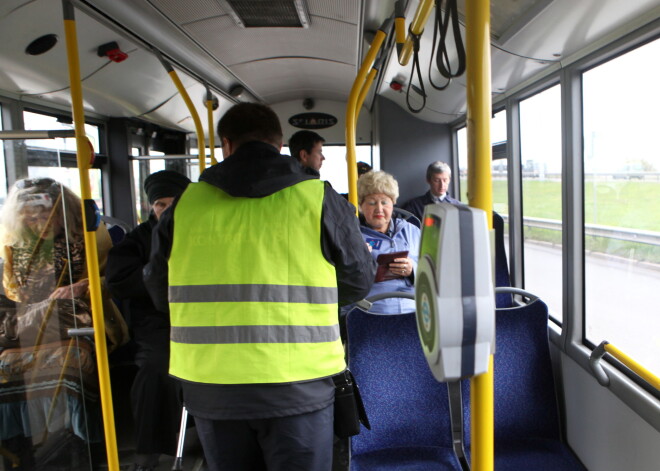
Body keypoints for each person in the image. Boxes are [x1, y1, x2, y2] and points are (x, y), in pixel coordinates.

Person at [144, 102, 376, 471]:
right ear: (279, 143)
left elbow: (160, 291)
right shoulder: (318, 199)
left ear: (226, 145)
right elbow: (357, 282)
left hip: (211, 384)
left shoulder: (186, 205)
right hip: (299, 381)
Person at [0, 178, 128, 468]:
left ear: (64, 213)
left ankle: (83, 445)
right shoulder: (14, 246)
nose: (39, 224)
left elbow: (116, 280)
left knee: (70, 362)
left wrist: (84, 286)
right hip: (29, 316)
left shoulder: (91, 237)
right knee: (6, 366)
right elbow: (13, 291)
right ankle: (18, 445)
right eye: (30, 219)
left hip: (81, 314)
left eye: (46, 215)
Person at [106, 170, 190, 471]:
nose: (166, 211)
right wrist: (157, 276)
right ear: (151, 208)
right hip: (156, 322)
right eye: (160, 205)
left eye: (173, 204)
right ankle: (148, 451)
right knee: (155, 368)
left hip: (199, 317)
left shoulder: (202, 233)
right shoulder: (137, 240)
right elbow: (119, 281)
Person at [358, 170, 420, 314]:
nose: (379, 209)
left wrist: (413, 270)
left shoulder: (412, 231)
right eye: (372, 203)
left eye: (384, 202)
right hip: (372, 311)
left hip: (412, 309)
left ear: (393, 203)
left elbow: (432, 270)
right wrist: (358, 260)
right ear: (361, 206)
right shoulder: (353, 236)